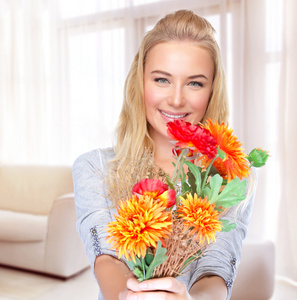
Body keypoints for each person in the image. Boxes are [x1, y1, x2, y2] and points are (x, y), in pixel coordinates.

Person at [73, 9, 256, 300]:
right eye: (161, 80)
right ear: (140, 82)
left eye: (195, 83)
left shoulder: (231, 177)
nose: (175, 99)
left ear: (212, 90)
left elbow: (215, 269)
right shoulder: (94, 167)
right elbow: (106, 257)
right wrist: (130, 297)